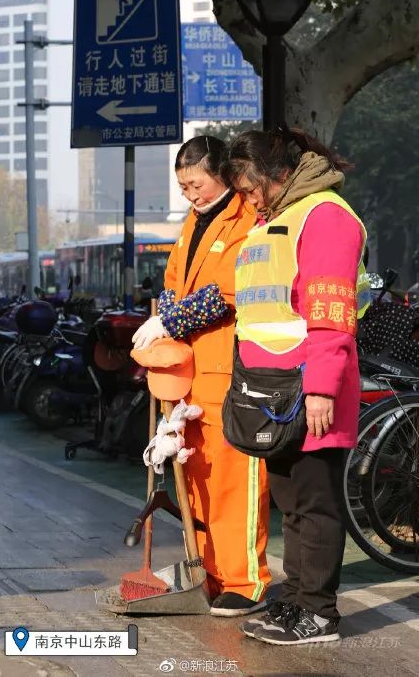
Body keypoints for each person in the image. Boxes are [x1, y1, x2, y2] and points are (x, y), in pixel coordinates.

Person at [221, 126, 370, 643]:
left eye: (249, 186)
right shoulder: (280, 218)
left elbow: (331, 315)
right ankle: (295, 599)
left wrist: (323, 391)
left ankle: (320, 613)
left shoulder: (325, 217)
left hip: (310, 390)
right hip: (274, 391)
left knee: (315, 502)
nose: (249, 199)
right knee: (292, 505)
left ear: (278, 173)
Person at [131, 135, 271, 616]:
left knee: (237, 479)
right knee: (198, 479)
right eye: (184, 187)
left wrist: (169, 321)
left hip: (233, 371)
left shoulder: (246, 220)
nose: (190, 195)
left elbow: (227, 294)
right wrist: (165, 325)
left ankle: (246, 582)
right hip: (191, 374)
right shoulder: (192, 224)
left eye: (196, 184)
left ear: (223, 175)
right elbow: (174, 284)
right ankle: (209, 573)